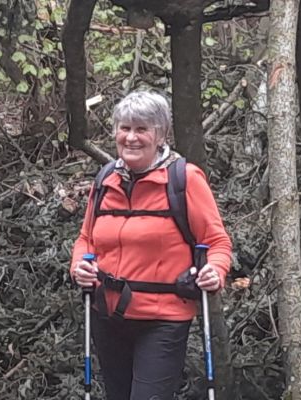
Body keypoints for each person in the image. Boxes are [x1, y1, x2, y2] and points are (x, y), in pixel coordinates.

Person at [68, 90, 233, 400]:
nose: (131, 137)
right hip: (108, 316)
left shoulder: (184, 179)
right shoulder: (105, 180)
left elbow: (216, 241)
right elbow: (86, 238)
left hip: (162, 320)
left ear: (160, 135)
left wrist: (215, 270)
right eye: (124, 128)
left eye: (142, 129)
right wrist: (79, 267)